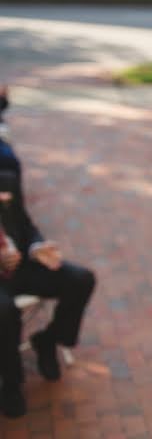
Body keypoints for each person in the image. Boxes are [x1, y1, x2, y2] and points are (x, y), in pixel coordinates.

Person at [0, 172, 96, 418]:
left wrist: (36, 248)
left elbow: (26, 226)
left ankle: (48, 340)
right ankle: (11, 384)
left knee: (81, 279)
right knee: (5, 312)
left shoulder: (6, 181)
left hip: (22, 267)